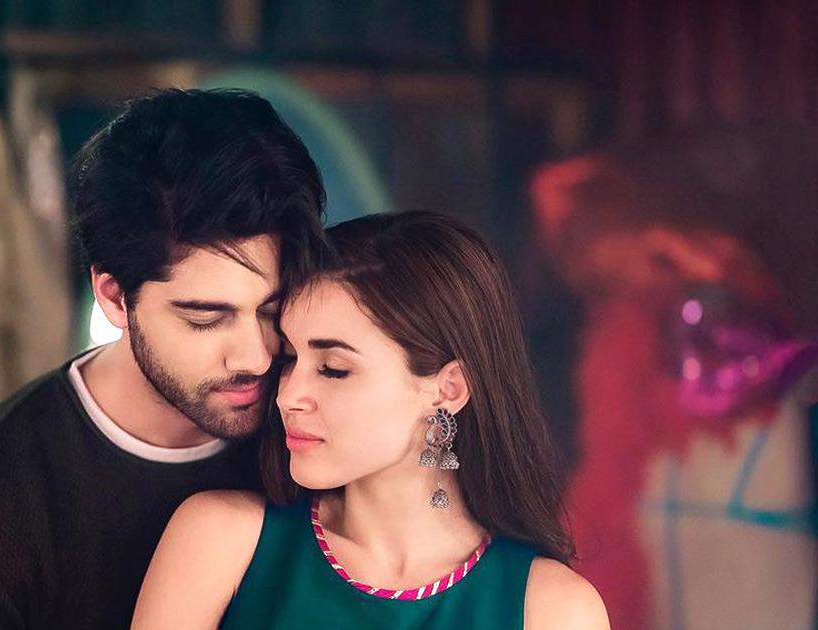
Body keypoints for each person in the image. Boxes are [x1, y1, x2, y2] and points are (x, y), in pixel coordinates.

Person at [0, 88, 327, 629]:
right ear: (114, 297)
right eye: (206, 318)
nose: (256, 357)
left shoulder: (325, 444)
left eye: (273, 311)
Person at [132, 211, 610, 629]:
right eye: (290, 358)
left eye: (333, 368)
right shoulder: (223, 541)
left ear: (447, 389)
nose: (288, 396)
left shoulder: (552, 609)